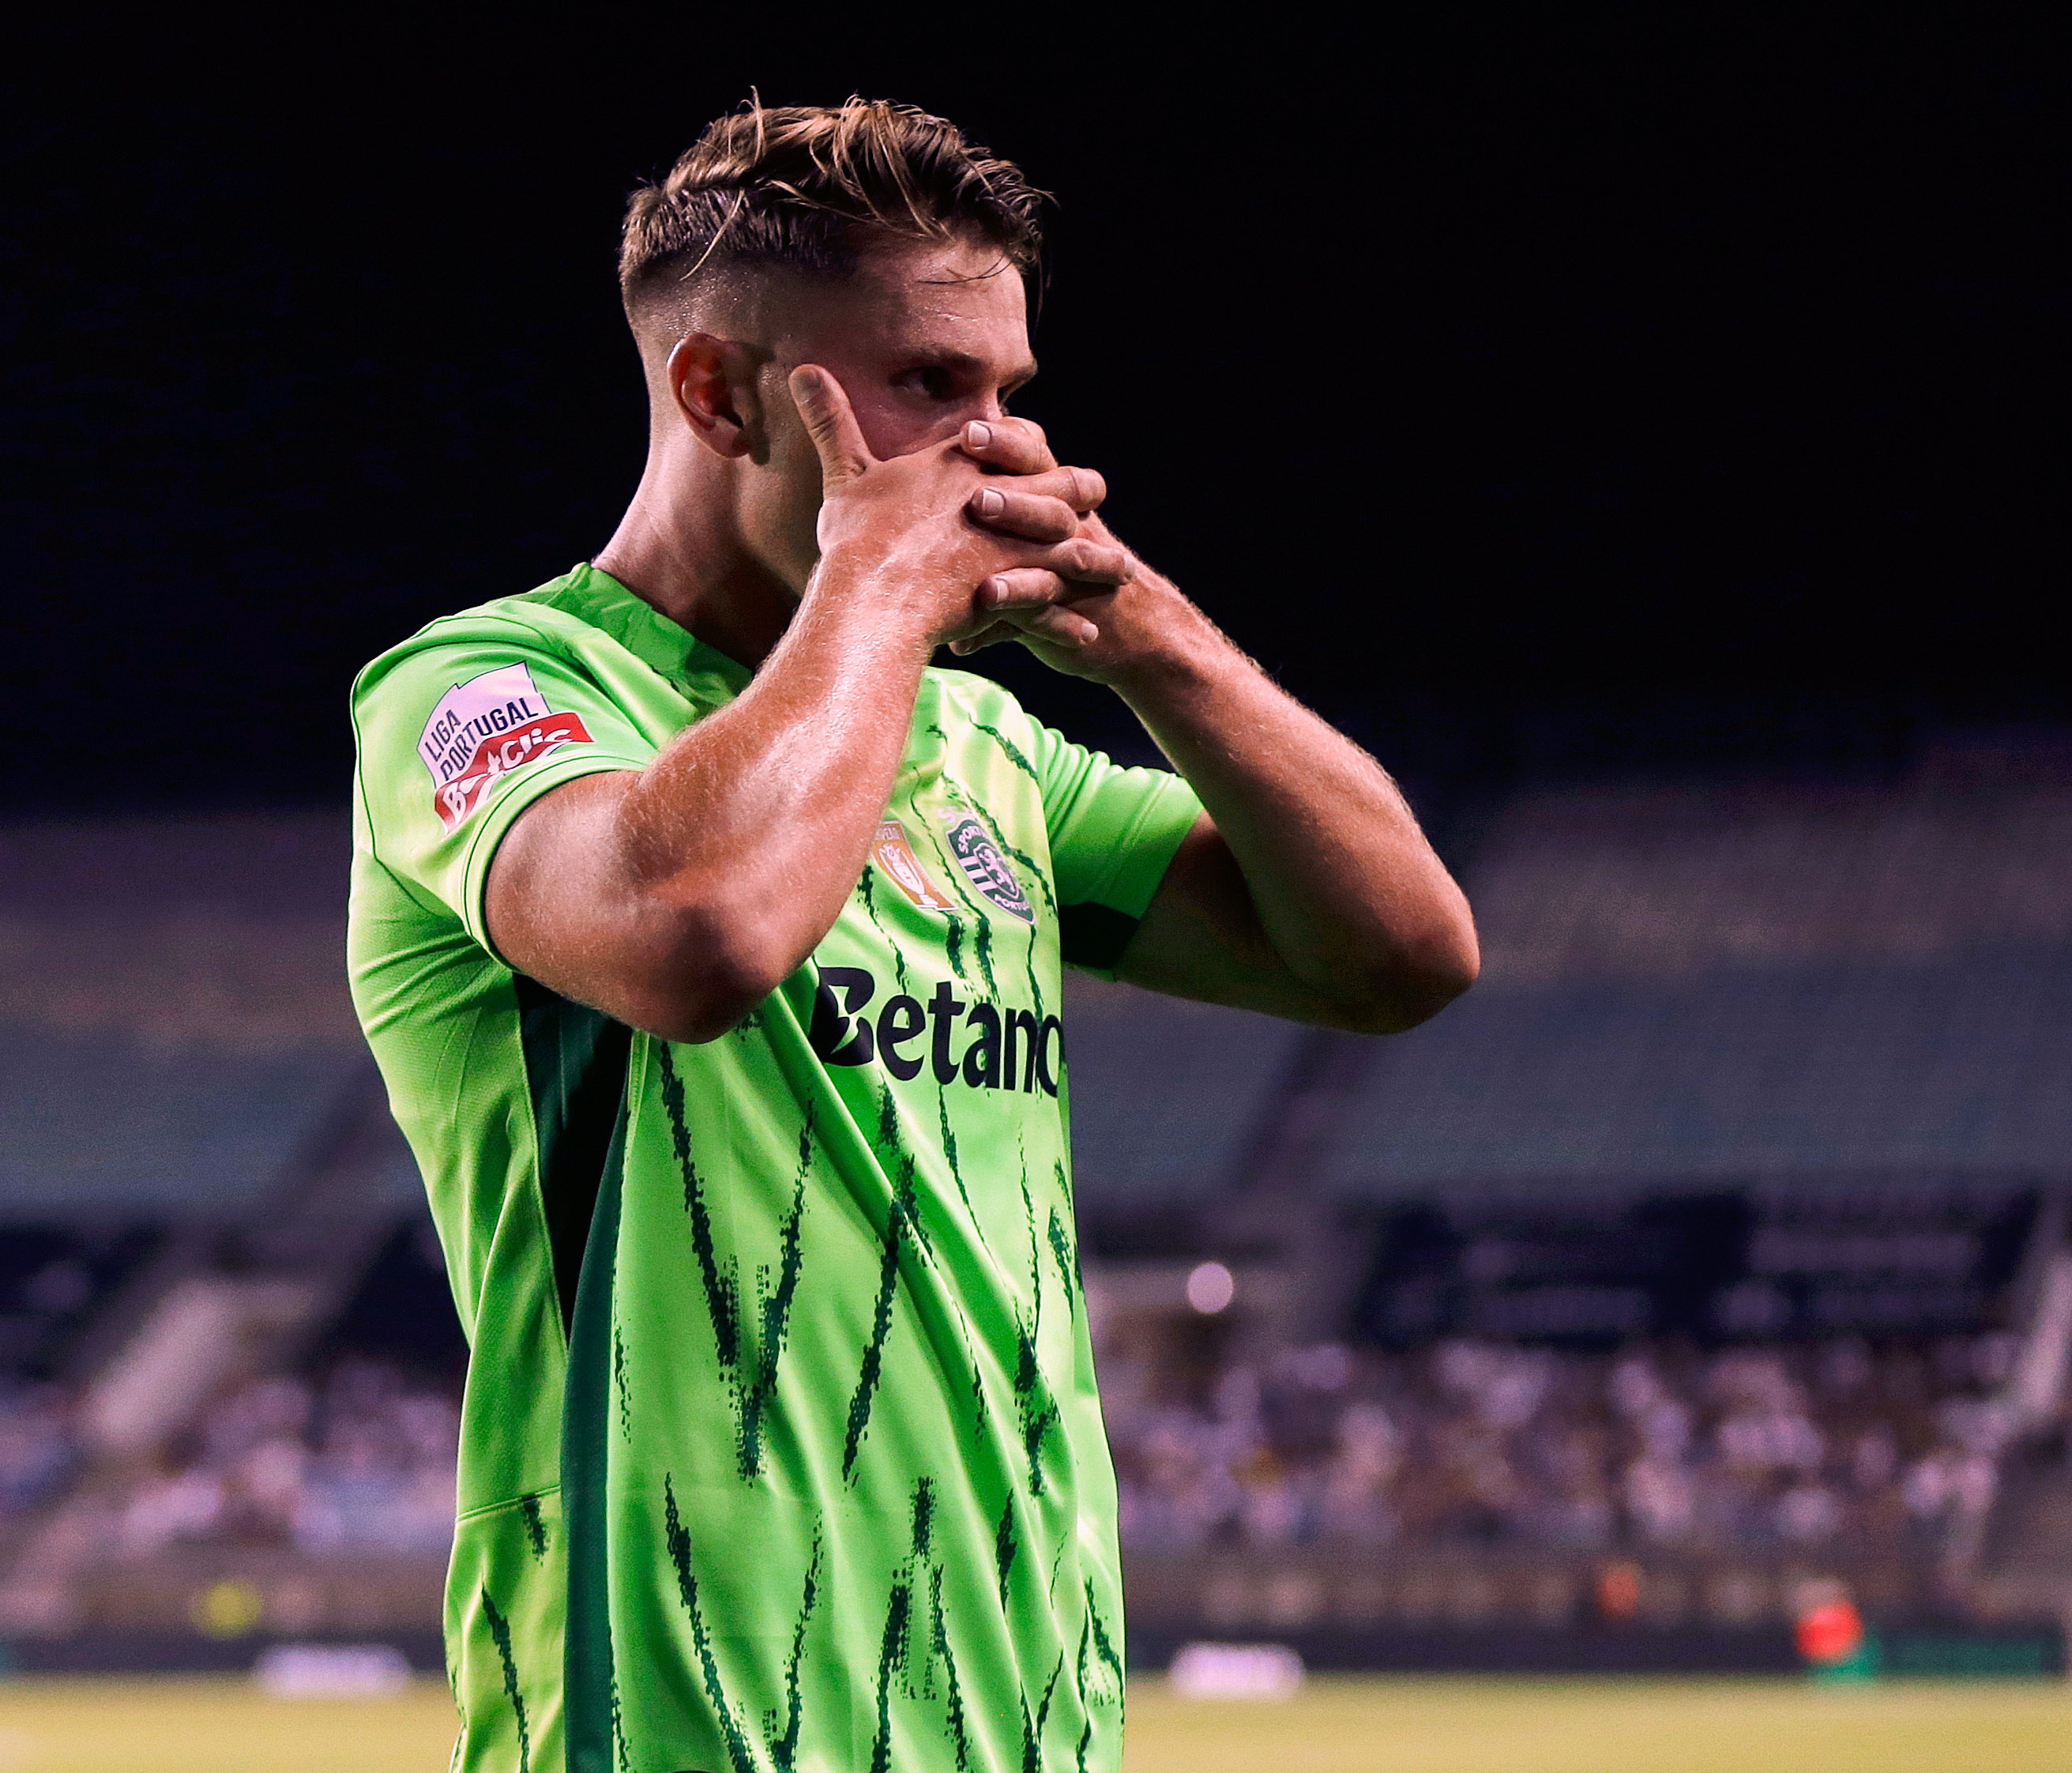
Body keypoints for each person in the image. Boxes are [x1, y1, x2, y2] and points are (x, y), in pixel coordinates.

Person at [348, 97, 1478, 1773]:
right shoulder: (489, 691)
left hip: (1023, 1696)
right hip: (679, 1709)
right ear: (719, 393)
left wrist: (1153, 640)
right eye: (929, 388)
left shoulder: (981, 752)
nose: (995, 448)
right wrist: (872, 588)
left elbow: (1401, 954)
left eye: (1009, 393)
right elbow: (690, 937)